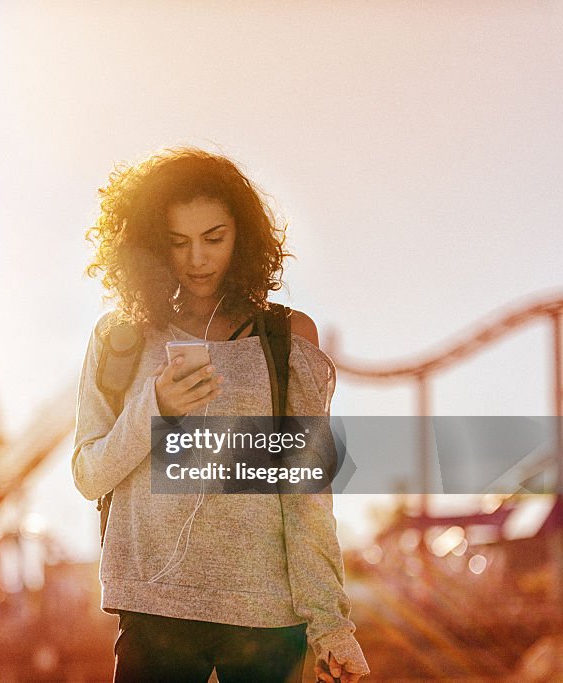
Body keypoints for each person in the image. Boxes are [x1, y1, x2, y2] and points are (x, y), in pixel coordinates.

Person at [72, 147, 369, 682]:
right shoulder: (120, 338)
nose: (198, 259)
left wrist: (331, 625)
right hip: (153, 606)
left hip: (266, 616)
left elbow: (304, 494)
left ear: (244, 236)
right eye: (177, 242)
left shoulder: (286, 339)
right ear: (147, 244)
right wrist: (154, 407)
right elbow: (89, 474)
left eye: (214, 238)